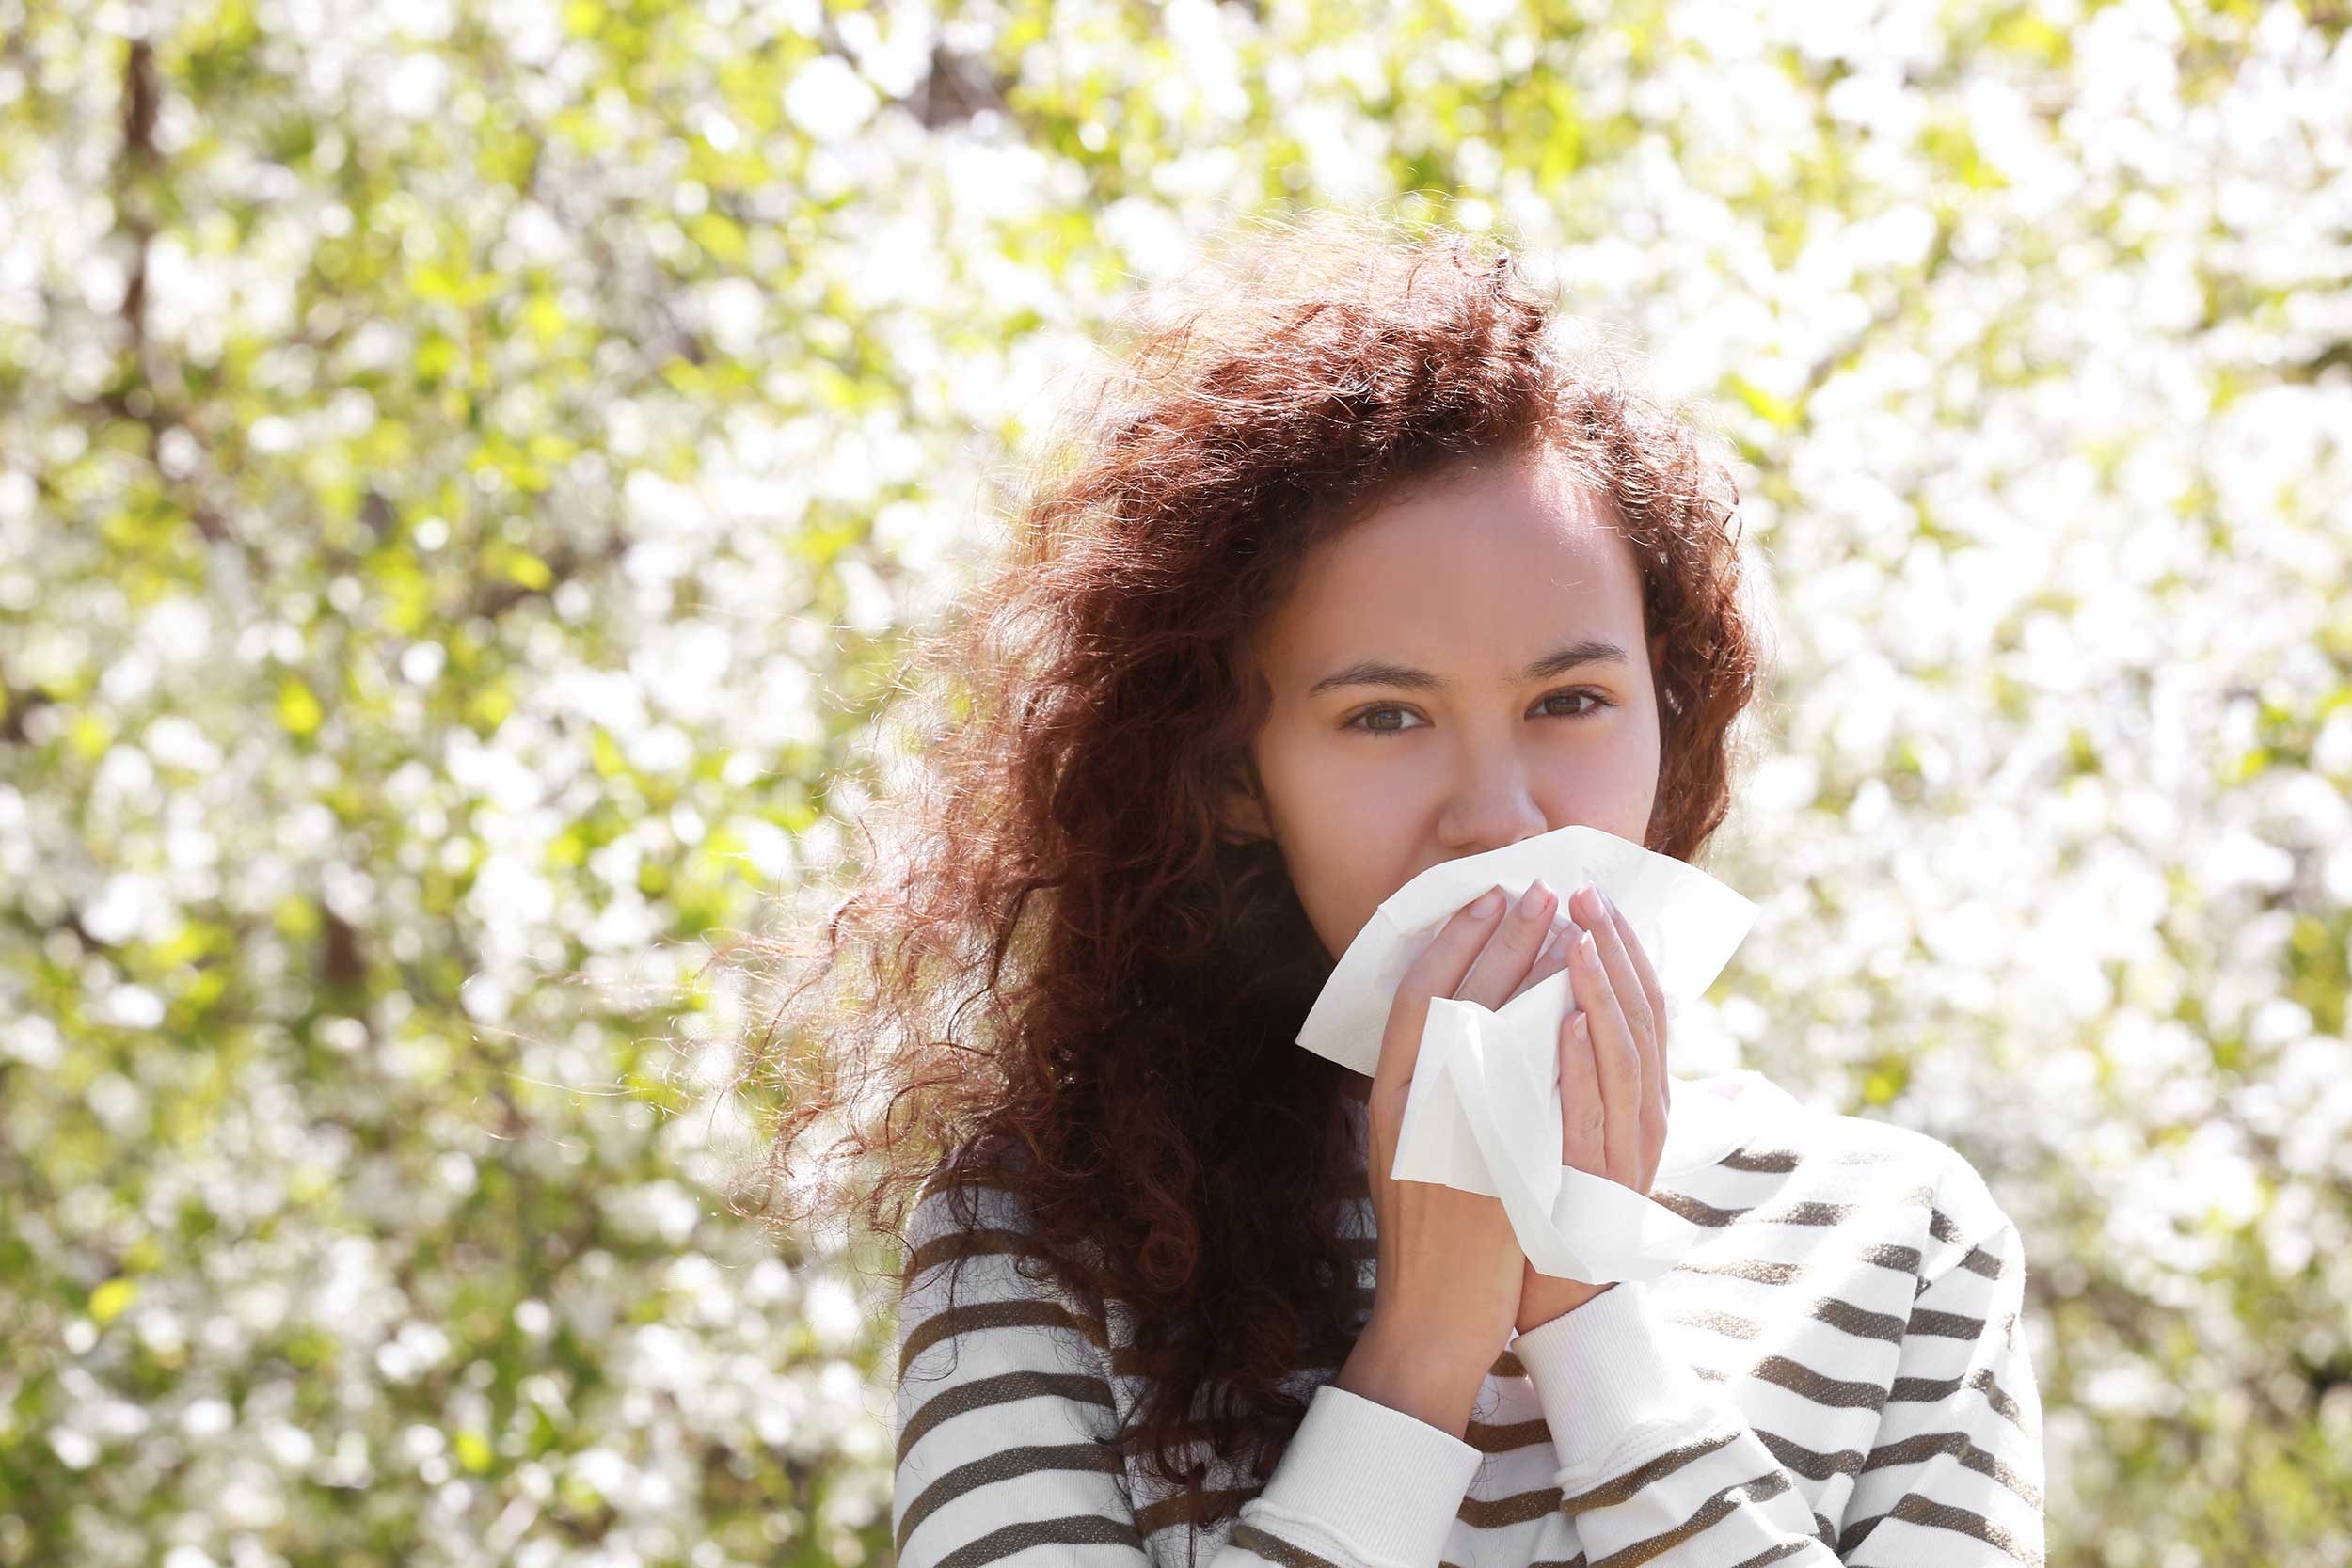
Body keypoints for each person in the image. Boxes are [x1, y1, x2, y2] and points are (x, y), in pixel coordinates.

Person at [738, 209, 2044, 1568]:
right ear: (1238, 773)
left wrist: (1595, 1328)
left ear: (1671, 710)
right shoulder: (1045, 1235)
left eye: (1571, 699)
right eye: (1382, 717)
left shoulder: (1901, 1241)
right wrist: (1421, 1350)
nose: (1498, 815)